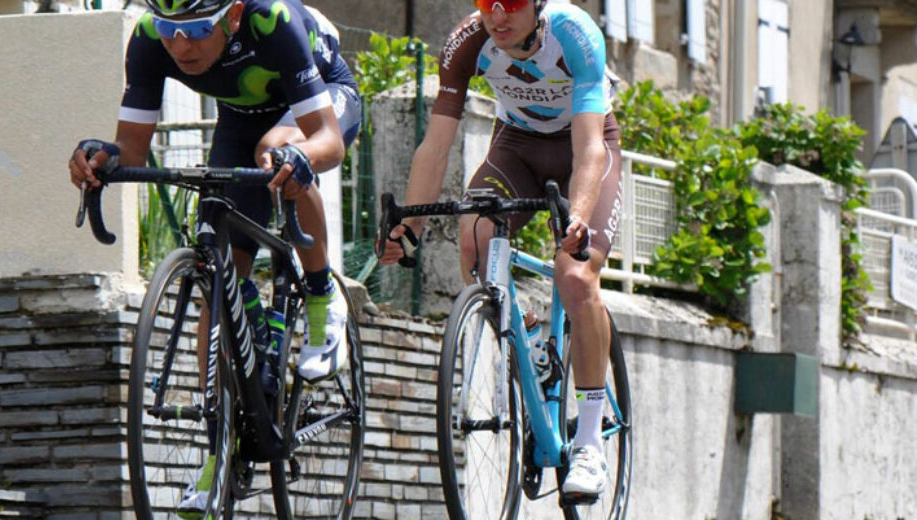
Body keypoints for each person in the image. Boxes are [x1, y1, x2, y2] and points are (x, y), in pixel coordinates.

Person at [67, 0, 361, 515]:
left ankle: (321, 296)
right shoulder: (148, 38)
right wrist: (101, 157)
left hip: (320, 103)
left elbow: (329, 142)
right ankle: (219, 451)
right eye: (170, 30)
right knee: (220, 283)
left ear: (233, 15)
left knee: (278, 147)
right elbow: (131, 150)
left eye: (198, 29)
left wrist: (301, 157)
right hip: (238, 122)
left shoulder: (271, 20)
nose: (181, 45)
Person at [378, 0, 622, 501]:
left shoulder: (574, 34)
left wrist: (577, 215)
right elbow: (435, 146)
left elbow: (589, 151)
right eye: (486, 3)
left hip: (585, 147)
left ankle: (589, 442)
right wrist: (410, 226)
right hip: (516, 147)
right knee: (474, 238)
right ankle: (530, 338)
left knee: (575, 276)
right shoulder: (467, 42)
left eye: (510, 4)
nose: (497, 16)